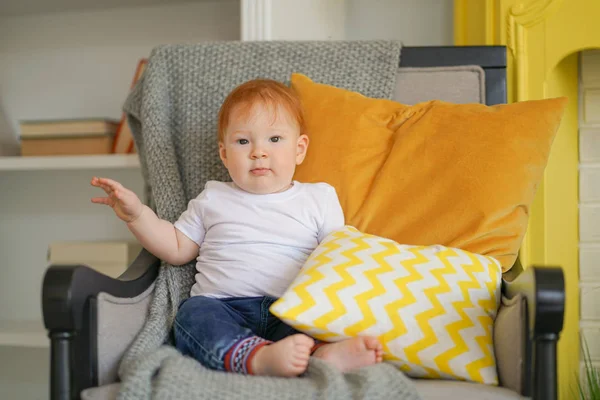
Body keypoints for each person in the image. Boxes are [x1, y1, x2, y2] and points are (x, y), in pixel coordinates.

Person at [91, 79, 383, 377]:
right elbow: (176, 248)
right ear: (224, 154)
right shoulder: (213, 198)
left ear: (299, 149)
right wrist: (137, 215)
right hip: (223, 307)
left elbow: (337, 256)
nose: (258, 152)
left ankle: (323, 354)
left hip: (292, 307)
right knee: (191, 316)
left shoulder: (318, 197)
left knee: (322, 317)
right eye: (243, 142)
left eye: (274, 139)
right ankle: (256, 357)